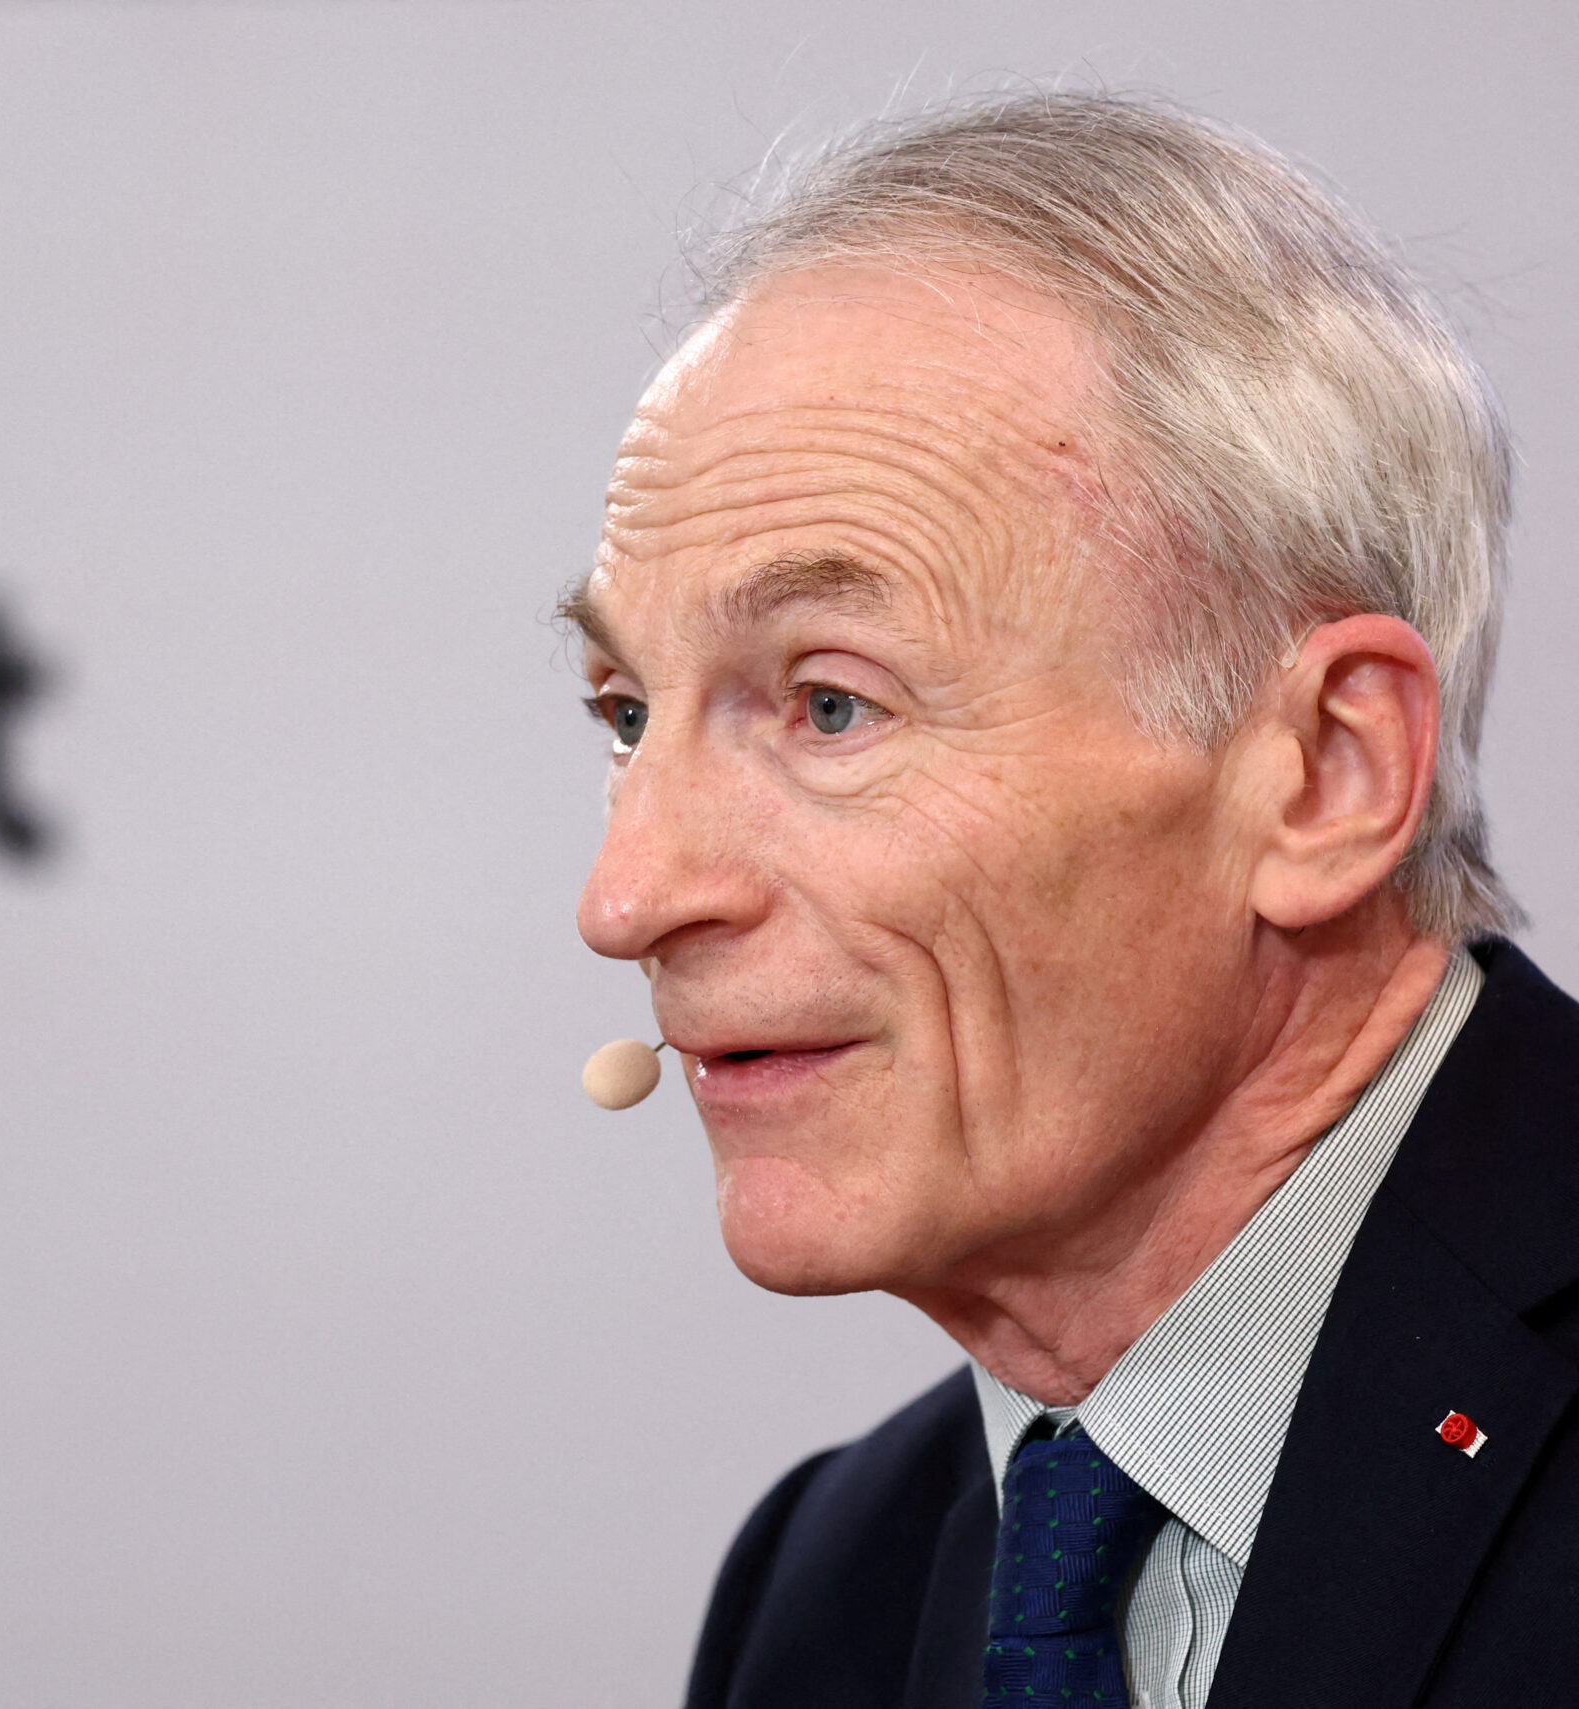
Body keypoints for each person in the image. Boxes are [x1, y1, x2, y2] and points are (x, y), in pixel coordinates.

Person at [563, 92, 1579, 1709]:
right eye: (627, 713)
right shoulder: (825, 1587)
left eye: (831, 704)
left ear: (1324, 773)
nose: (627, 897)